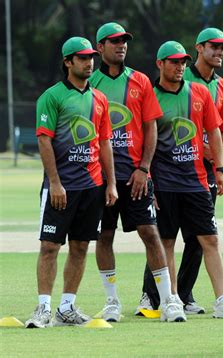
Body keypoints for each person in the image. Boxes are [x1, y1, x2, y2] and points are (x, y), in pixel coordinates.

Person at [139, 41, 223, 319]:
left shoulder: (199, 93)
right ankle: (171, 299)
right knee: (166, 241)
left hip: (196, 181)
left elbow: (214, 131)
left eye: (183, 63)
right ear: (160, 64)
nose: (180, 67)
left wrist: (220, 169)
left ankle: (222, 300)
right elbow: (145, 142)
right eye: (174, 62)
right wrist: (148, 179)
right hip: (164, 183)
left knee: (209, 239)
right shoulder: (149, 96)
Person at [89, 22, 185, 323]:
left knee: (150, 233)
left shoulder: (141, 81)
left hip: (135, 175)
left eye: (124, 41)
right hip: (101, 177)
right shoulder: (90, 84)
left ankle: (170, 301)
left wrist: (144, 168)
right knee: (104, 236)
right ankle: (112, 302)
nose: (121, 46)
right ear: (100, 47)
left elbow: (150, 126)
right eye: (114, 41)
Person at [25, 37, 118, 328]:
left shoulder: (100, 99)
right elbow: (44, 140)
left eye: (91, 57)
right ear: (67, 62)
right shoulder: (52, 97)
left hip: (92, 187)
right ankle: (42, 308)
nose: (89, 62)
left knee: (80, 247)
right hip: (60, 187)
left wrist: (111, 184)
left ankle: (67, 307)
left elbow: (104, 144)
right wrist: (54, 182)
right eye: (81, 57)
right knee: (50, 247)